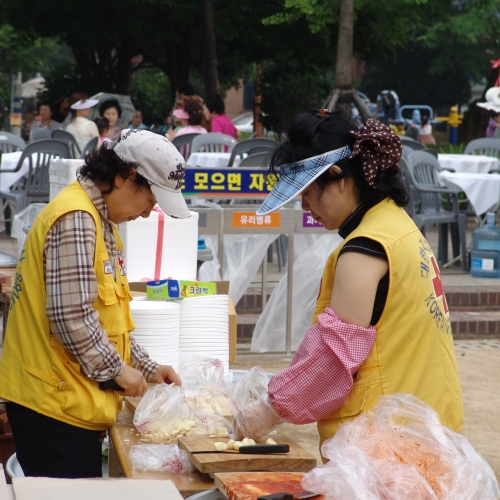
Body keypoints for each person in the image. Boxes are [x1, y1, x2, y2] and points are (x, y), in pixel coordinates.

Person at [232, 108, 464, 458]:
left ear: (338, 177)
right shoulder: (398, 226)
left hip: (387, 449)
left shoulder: (364, 250)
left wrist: (269, 409)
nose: (307, 207)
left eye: (308, 194)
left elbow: (334, 358)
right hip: (426, 431)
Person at [0, 129, 190, 478]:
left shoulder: (102, 222)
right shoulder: (75, 218)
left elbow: (107, 318)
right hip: (51, 408)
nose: (148, 214)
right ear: (124, 177)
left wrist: (146, 367)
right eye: (150, 201)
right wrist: (118, 371)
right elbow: (71, 316)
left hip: (70, 401)